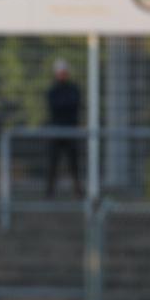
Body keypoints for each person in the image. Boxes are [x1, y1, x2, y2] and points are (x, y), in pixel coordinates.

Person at [46, 59, 83, 198]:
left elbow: (73, 106)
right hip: (56, 132)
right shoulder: (53, 90)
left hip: (70, 131)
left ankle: (78, 190)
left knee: (74, 163)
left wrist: (64, 107)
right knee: (53, 163)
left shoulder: (73, 89)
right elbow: (57, 107)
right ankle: (50, 191)